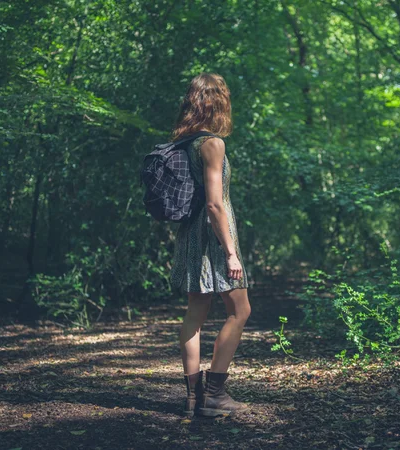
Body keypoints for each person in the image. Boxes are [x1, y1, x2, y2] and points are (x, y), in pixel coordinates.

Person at [169, 72, 251, 417]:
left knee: (195, 315)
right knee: (240, 310)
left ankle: (193, 398)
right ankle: (215, 394)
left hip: (189, 236)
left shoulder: (182, 143)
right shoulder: (212, 144)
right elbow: (216, 204)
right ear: (219, 103)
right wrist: (231, 251)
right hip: (214, 237)